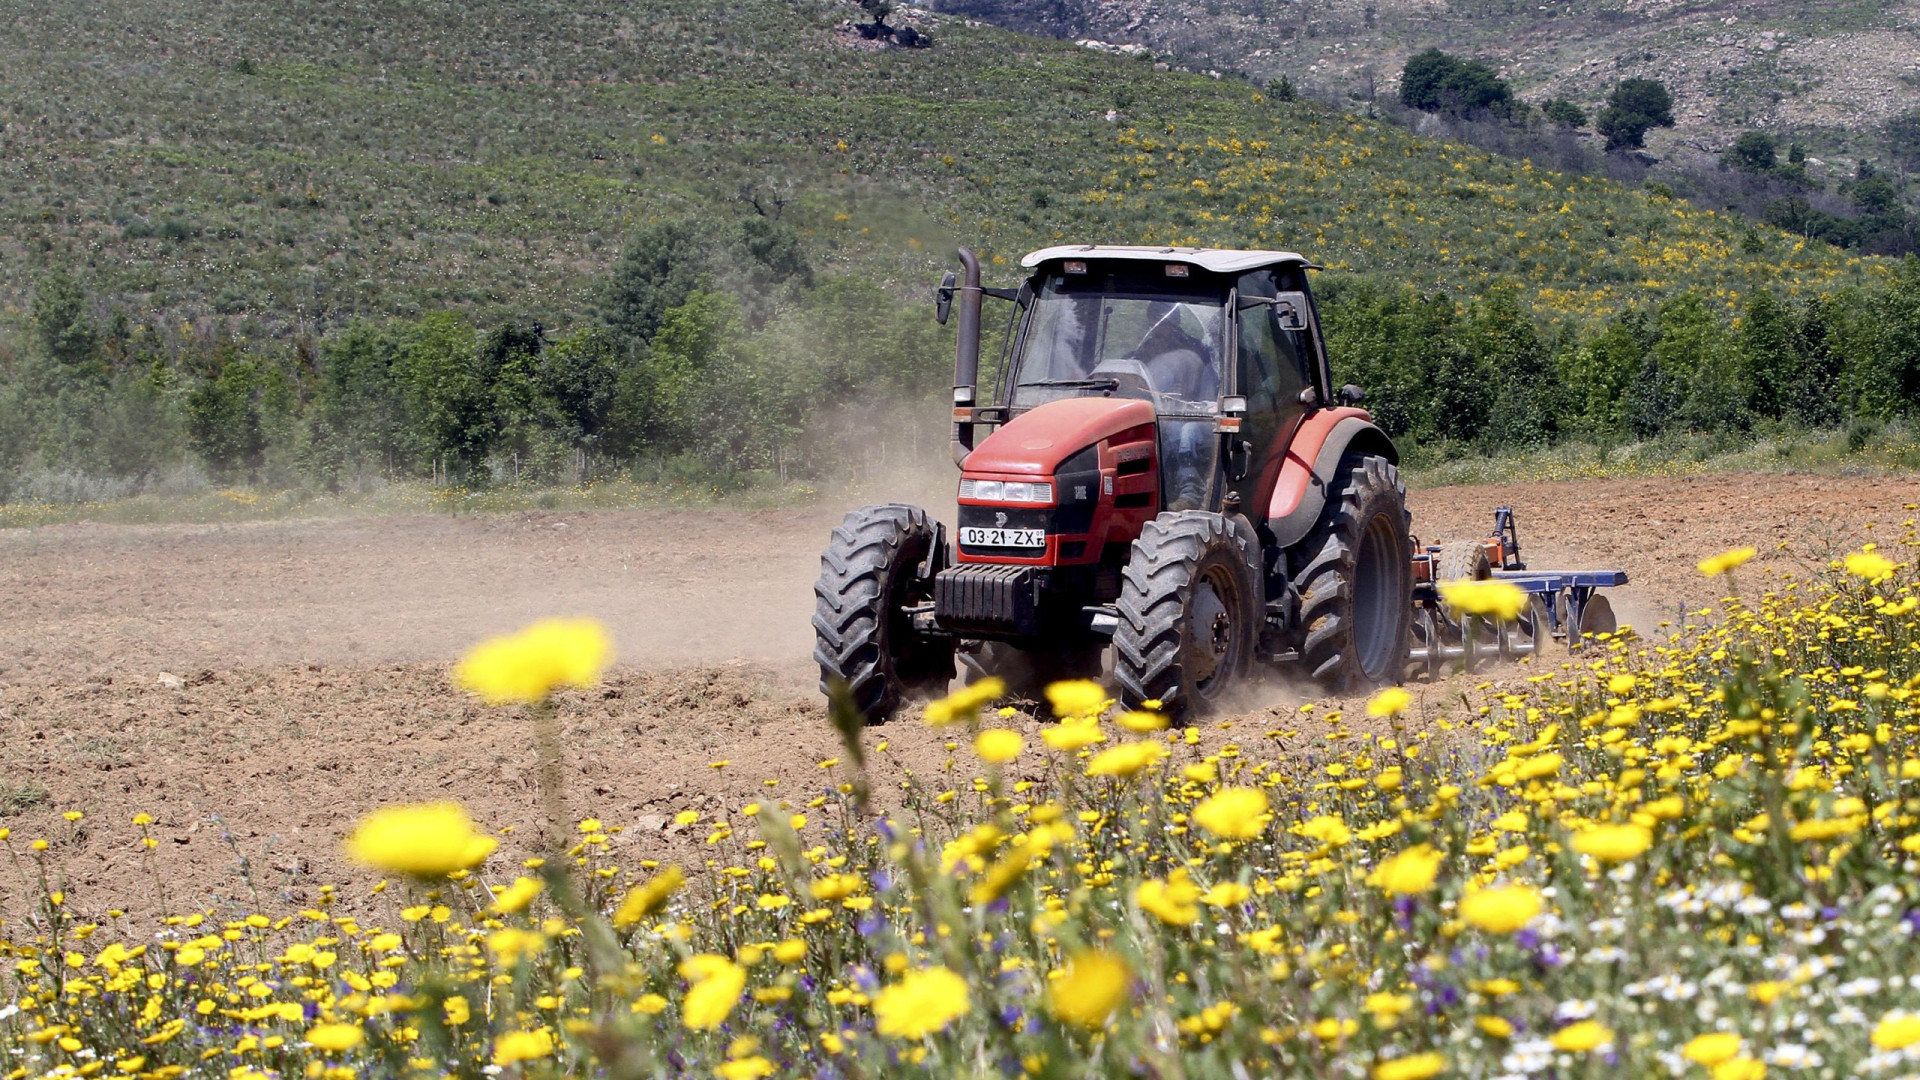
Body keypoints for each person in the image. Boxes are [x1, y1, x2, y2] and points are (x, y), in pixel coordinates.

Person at [1128, 304, 1220, 510]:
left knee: (1184, 432)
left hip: (1193, 416)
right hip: (1154, 414)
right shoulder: (1142, 353)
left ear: (1176, 321)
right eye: (1155, 320)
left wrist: (1203, 406)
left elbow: (1210, 395)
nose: (1159, 326)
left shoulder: (1197, 351)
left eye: (1165, 321)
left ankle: (1190, 493)